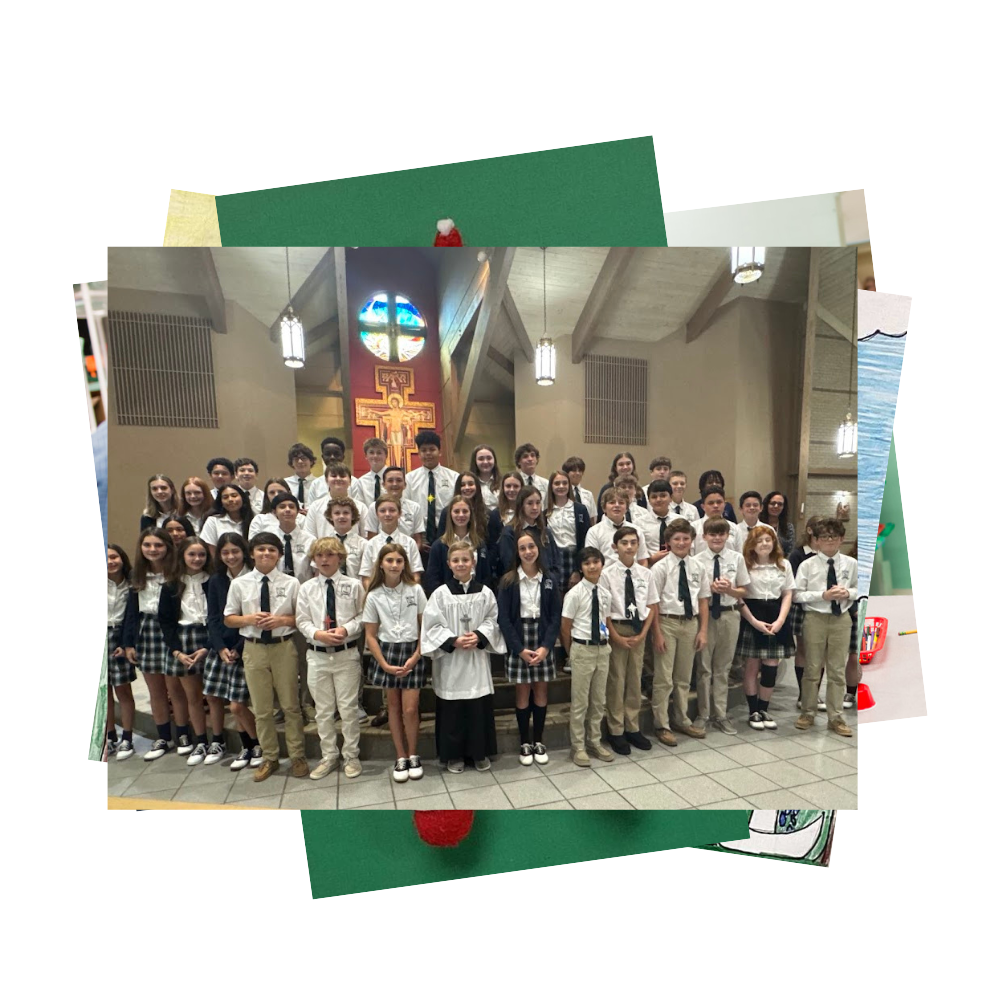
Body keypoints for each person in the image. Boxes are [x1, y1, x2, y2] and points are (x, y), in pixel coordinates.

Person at [223, 532, 309, 783]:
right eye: (261, 549)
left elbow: (301, 618)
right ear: (252, 553)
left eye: (272, 550)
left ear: (279, 555)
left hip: (283, 647)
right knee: (261, 708)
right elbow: (228, 618)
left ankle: (297, 756)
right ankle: (270, 757)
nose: (266, 554)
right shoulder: (240, 583)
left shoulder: (291, 583)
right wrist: (250, 619)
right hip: (254, 647)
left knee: (291, 705)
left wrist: (280, 620)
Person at [422, 540, 506, 773]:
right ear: (449, 564)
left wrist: (479, 635)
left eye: (465, 560)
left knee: (478, 708)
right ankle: (454, 755)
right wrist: (453, 640)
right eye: (456, 560)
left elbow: (493, 620)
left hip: (475, 660)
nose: (461, 564)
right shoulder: (440, 594)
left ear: (474, 562)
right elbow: (431, 626)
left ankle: (479, 753)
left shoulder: (485, 593)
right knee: (453, 710)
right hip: (452, 662)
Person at [296, 537, 366, 780]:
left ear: (340, 558)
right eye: (319, 556)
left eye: (330, 555)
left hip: (346, 655)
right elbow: (302, 620)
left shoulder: (354, 585)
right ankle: (329, 756)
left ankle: (351, 755)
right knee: (323, 711)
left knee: (348, 709)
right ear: (314, 560)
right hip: (317, 655)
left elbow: (362, 616)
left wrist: (345, 629)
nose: (324, 560)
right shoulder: (306, 588)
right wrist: (317, 634)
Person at [122, 528, 192, 760]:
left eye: (158, 545)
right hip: (146, 630)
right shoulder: (136, 575)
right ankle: (163, 736)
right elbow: (131, 612)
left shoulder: (176, 573)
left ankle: (183, 733)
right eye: (148, 545)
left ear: (168, 547)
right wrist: (129, 642)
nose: (153, 550)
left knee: (175, 689)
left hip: (170, 631)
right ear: (141, 548)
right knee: (155, 690)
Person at [362, 543, 427, 783]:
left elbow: (425, 627)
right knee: (394, 708)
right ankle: (400, 756)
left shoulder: (415, 590)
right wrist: (384, 664)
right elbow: (370, 635)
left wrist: (416, 656)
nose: (394, 565)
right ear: (381, 563)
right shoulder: (374, 595)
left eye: (399, 561)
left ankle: (413, 754)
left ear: (404, 564)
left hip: (412, 650)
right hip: (386, 652)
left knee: (410, 709)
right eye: (389, 560)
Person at [497, 530, 562, 766]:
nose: (527, 551)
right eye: (522, 548)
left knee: (541, 690)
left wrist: (546, 647)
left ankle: (538, 740)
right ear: (517, 552)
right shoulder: (508, 581)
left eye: (531, 547)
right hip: (519, 640)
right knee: (523, 692)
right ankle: (525, 742)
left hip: (542, 637)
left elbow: (555, 616)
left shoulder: (549, 580)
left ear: (538, 549)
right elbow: (503, 619)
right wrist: (518, 649)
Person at [793, 518, 858, 738]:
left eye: (833, 536)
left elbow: (862, 589)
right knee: (812, 667)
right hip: (815, 618)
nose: (829, 541)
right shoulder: (807, 565)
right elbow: (797, 594)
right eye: (824, 537)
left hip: (841, 619)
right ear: (817, 541)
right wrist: (823, 595)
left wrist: (848, 593)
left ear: (841, 539)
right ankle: (808, 712)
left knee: (837, 670)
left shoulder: (851, 564)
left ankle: (836, 717)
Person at [600, 525, 659, 755]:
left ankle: (632, 726)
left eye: (633, 542)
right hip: (617, 629)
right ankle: (616, 730)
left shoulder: (645, 574)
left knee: (634, 679)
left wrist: (644, 633)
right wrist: (615, 636)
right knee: (616, 680)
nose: (629, 546)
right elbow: (604, 611)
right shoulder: (606, 574)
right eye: (624, 542)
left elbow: (652, 605)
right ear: (615, 547)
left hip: (639, 630)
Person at [648, 518, 708, 744]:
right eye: (677, 539)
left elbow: (702, 600)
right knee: (664, 678)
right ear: (668, 542)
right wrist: (657, 633)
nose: (682, 542)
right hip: (667, 622)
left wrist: (703, 630)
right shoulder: (660, 568)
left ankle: (681, 719)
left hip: (690, 623)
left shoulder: (698, 567)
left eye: (685, 538)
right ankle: (661, 724)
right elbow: (653, 603)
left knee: (683, 677)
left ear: (692, 540)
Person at [157, 536, 216, 765]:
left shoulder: (214, 581)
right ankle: (200, 740)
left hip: (210, 638)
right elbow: (166, 621)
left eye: (201, 554)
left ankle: (216, 740)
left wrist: (210, 646)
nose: (197, 559)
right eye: (192, 554)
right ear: (182, 555)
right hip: (183, 639)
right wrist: (177, 652)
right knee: (193, 696)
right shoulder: (171, 584)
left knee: (212, 695)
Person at [205, 532, 261, 770]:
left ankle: (258, 744)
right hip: (222, 649)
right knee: (229, 701)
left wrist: (237, 648)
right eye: (225, 552)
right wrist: (220, 647)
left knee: (238, 704)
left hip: (245, 646)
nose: (230, 556)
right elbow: (214, 617)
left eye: (235, 551)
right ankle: (246, 746)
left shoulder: (255, 578)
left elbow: (255, 618)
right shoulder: (216, 580)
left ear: (245, 552)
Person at [691, 517, 750, 735]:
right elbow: (691, 591)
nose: (717, 538)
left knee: (723, 668)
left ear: (727, 536)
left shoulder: (737, 559)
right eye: (712, 534)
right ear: (704, 536)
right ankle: (703, 714)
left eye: (721, 534)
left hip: (729, 615)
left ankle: (721, 714)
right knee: (704, 667)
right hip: (705, 617)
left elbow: (745, 590)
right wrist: (709, 589)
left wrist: (730, 590)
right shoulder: (696, 560)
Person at [736, 526, 796, 732]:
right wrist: (753, 621)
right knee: (752, 666)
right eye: (759, 540)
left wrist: (780, 621)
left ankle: (764, 709)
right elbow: (739, 597)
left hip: (776, 614)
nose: (764, 544)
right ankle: (753, 710)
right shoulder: (745, 565)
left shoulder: (783, 565)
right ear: (752, 544)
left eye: (768, 540)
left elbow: (788, 593)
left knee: (771, 667)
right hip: (753, 614)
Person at [560, 547, 614, 766]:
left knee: (599, 700)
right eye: (587, 563)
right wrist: (571, 653)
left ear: (602, 564)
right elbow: (566, 627)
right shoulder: (574, 594)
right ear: (581, 568)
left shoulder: (605, 593)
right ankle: (578, 746)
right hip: (582, 649)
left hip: (602, 648)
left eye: (596, 562)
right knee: (580, 702)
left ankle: (594, 740)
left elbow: (605, 620)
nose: (592, 566)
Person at [403, 430, 458, 556]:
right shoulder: (409, 479)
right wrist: (416, 538)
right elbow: (406, 509)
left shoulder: (454, 477)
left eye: (432, 449)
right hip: (420, 537)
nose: (428, 453)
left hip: (447, 535)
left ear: (440, 451)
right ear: (418, 453)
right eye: (423, 450)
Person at [498, 485, 562, 591]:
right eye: (530, 503)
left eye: (538, 502)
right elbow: (509, 566)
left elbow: (556, 563)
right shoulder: (509, 533)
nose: (535, 507)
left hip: (546, 587)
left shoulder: (545, 532)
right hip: (520, 587)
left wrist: (550, 582)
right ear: (521, 505)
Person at [106, 544, 137, 761]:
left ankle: (127, 737)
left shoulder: (132, 586)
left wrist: (126, 642)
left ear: (122, 558)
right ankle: (109, 736)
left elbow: (132, 617)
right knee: (103, 694)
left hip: (119, 636)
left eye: (114, 556)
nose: (111, 562)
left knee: (123, 690)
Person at [788, 515, 822, 707]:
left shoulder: (828, 553)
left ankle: (814, 693)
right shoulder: (798, 554)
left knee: (819, 653)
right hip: (803, 606)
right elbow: (794, 582)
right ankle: (803, 694)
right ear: (809, 530)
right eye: (818, 528)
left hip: (824, 607)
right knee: (803, 649)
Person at [424, 496, 491, 593]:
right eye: (456, 511)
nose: (461, 515)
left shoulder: (479, 544)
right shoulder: (439, 546)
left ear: (470, 514)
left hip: (476, 598)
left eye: (465, 511)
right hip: (448, 600)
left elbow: (486, 577)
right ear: (450, 514)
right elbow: (432, 580)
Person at [359, 495, 424, 588]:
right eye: (382, 511)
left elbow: (416, 575)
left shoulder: (410, 543)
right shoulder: (371, 544)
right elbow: (366, 578)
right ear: (377, 514)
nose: (387, 514)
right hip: (378, 597)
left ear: (400, 513)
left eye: (392, 510)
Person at [544, 469, 590, 594]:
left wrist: (577, 569)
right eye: (557, 483)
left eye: (565, 483)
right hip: (554, 559)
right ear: (551, 486)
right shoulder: (545, 512)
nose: (561, 487)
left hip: (574, 558)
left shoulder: (580, 509)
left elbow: (585, 540)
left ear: (569, 486)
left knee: (575, 597)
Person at [584, 487, 650, 567]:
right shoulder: (594, 532)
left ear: (626, 508)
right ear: (604, 508)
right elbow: (592, 561)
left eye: (621, 503)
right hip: (605, 577)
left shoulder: (637, 530)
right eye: (612, 502)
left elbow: (642, 560)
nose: (617, 505)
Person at [360, 465, 425, 541]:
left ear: (405, 485)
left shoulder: (415, 507)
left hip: (407, 550)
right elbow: (371, 538)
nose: (395, 484)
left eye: (399, 480)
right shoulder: (374, 507)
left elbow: (418, 541)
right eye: (390, 481)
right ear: (383, 485)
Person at [309, 494, 366, 577]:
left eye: (346, 513)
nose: (341, 516)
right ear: (330, 516)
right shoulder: (321, 544)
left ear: (353, 516)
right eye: (337, 513)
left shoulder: (363, 544)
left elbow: (366, 575)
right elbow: (318, 572)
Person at [307, 463, 366, 539]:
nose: (338, 478)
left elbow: (365, 536)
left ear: (350, 481)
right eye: (334, 476)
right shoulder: (315, 507)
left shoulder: (361, 507)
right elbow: (310, 536)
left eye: (342, 476)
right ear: (326, 480)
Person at [270, 492, 318, 583]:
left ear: (298, 512)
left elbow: (316, 571)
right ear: (274, 512)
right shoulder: (269, 539)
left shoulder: (310, 540)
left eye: (291, 507)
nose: (287, 510)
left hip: (304, 590)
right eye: (282, 507)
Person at [435, 471, 489, 542]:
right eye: (463, 485)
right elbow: (440, 540)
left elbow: (491, 545)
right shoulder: (447, 512)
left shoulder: (487, 513)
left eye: (470, 484)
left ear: (477, 487)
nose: (467, 487)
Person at [487, 472, 523, 576]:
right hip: (503, 571)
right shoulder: (495, 515)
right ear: (503, 488)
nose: (512, 490)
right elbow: (492, 545)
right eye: (508, 486)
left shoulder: (527, 513)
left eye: (516, 486)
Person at [201, 484, 253, 555]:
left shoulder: (254, 520)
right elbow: (210, 551)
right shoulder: (213, 521)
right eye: (225, 497)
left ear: (242, 498)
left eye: (234, 496)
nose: (230, 499)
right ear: (221, 502)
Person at [692, 486, 740, 555]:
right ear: (703, 507)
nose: (715, 506)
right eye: (711, 503)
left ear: (725, 504)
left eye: (719, 502)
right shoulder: (694, 528)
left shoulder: (734, 528)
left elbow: (739, 554)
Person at [349, 437, 389, 509]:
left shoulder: (394, 478)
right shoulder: (361, 482)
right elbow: (360, 507)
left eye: (379, 453)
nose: (375, 456)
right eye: (371, 452)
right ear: (366, 456)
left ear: (386, 455)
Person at [762, 490, 796, 561]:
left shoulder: (788, 527)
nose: (776, 506)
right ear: (766, 505)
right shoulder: (758, 525)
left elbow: (790, 551)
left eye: (780, 504)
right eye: (773, 503)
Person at [562, 456, 597, 524]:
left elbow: (592, 518)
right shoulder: (562, 494)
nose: (577, 473)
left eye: (580, 471)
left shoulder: (588, 494)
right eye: (574, 470)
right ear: (566, 473)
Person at [285, 442, 319, 509]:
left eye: (304, 458)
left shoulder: (319, 483)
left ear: (311, 461)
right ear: (292, 463)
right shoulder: (285, 483)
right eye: (296, 459)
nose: (300, 461)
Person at [470, 443, 501, 510]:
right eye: (481, 459)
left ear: (494, 460)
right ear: (475, 461)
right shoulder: (469, 484)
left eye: (489, 458)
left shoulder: (503, 483)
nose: (485, 462)